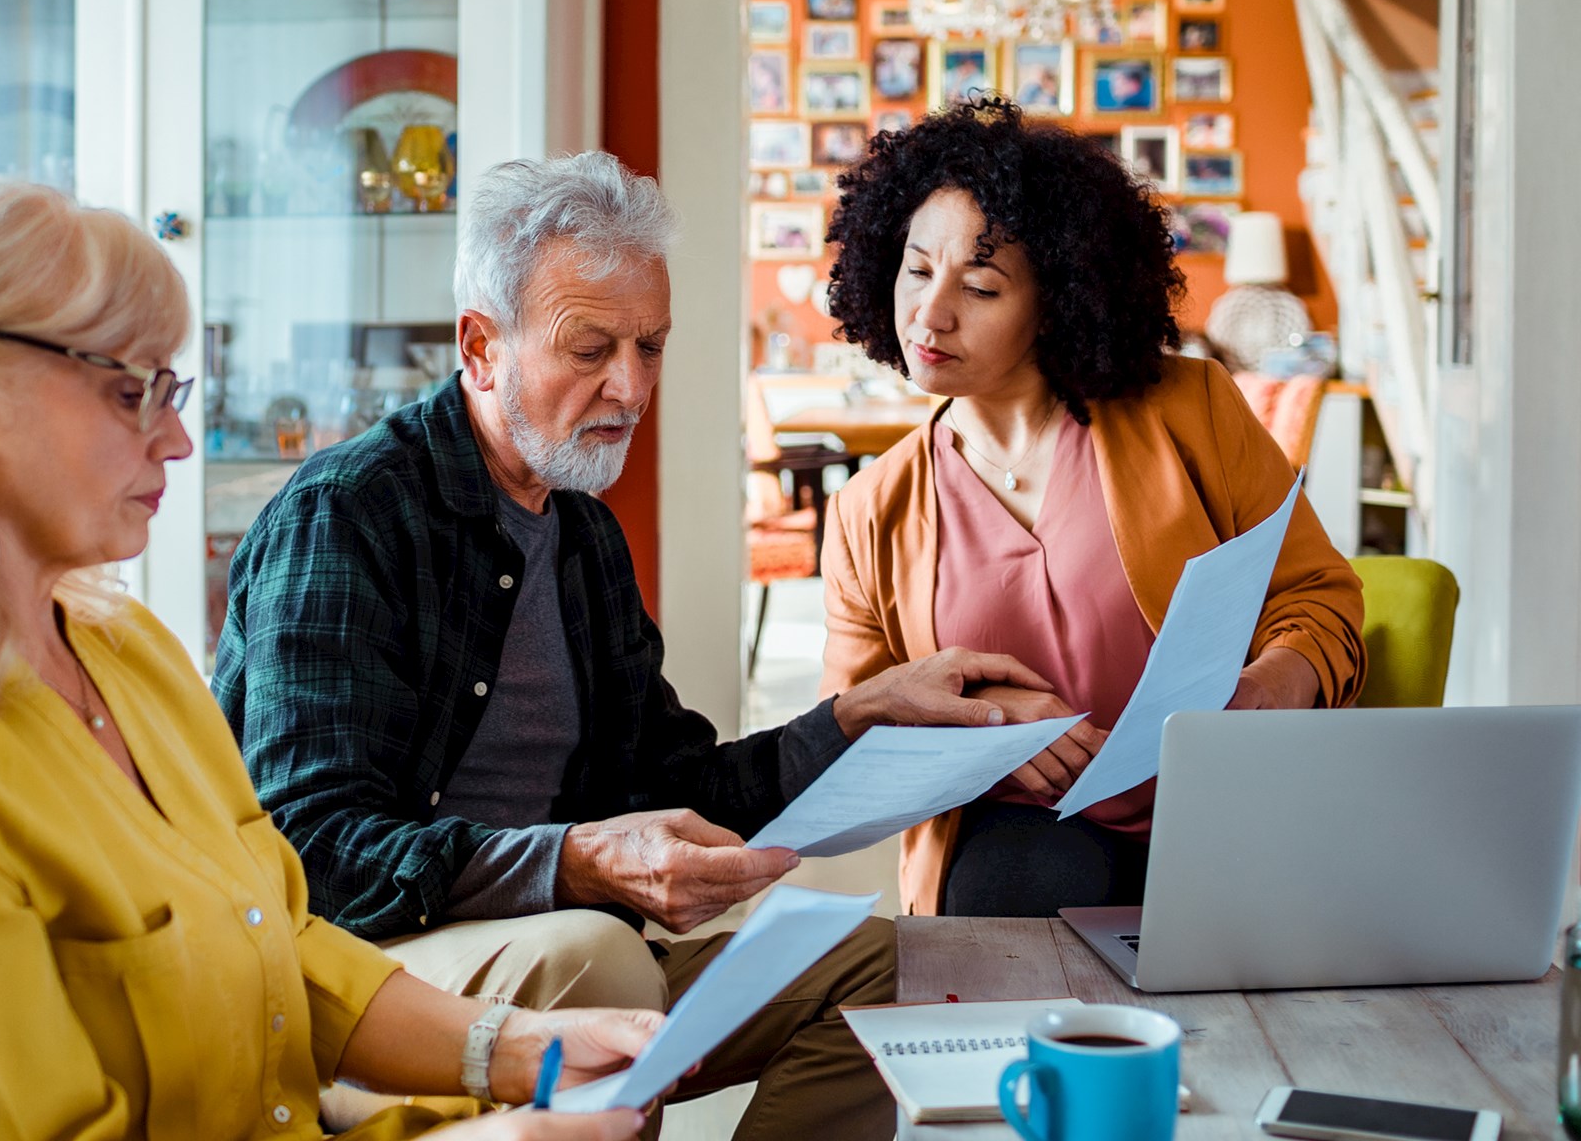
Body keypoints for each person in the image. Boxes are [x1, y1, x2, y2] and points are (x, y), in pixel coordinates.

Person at [0, 181, 662, 1141]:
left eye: (175, 391)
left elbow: (278, 944)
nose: (177, 437)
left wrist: (514, 1050)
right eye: (133, 393)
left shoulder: (126, 656)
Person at [216, 152, 1048, 1141]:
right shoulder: (346, 516)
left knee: (906, 973)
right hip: (368, 979)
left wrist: (861, 715)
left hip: (561, 949)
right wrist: (573, 863)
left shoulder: (580, 531)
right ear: (479, 347)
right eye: (588, 348)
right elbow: (311, 850)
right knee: (596, 954)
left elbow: (673, 778)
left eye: (649, 346)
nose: (628, 385)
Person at [819, 98, 1367, 919]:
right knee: (1017, 886)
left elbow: (1316, 597)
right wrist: (984, 735)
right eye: (916, 268)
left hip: (1220, 805)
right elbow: (854, 745)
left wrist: (1271, 685)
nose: (930, 314)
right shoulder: (870, 510)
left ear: (1059, 300)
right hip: (1025, 838)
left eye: (980, 284)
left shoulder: (1194, 409)